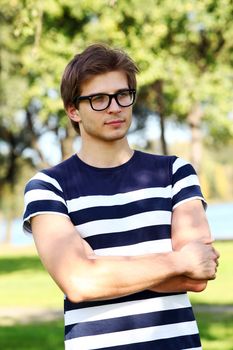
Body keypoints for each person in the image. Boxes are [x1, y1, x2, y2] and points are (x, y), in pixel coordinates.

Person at [23, 43, 219, 350]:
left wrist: (98, 265)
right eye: (98, 99)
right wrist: (178, 261)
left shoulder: (175, 173)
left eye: (122, 95)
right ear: (73, 110)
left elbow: (198, 275)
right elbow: (79, 283)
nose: (115, 107)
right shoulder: (48, 186)